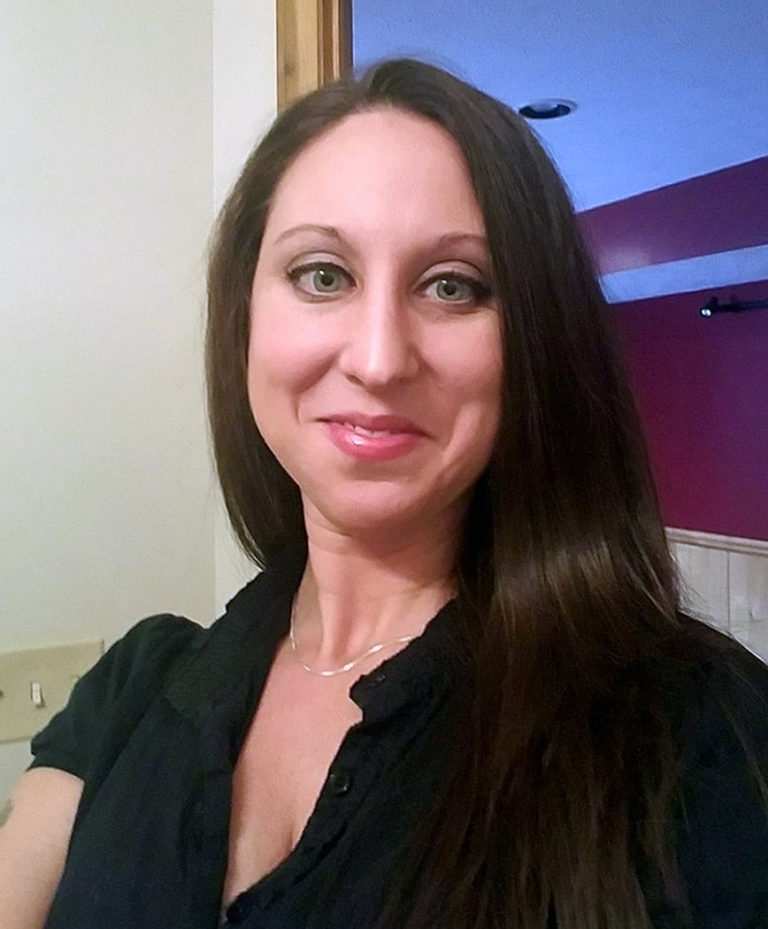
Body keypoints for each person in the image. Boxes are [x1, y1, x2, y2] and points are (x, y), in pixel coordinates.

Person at [1, 58, 767, 929]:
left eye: (452, 286)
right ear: (245, 314)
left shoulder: (698, 738)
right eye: (322, 275)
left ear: (535, 342)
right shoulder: (135, 691)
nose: (377, 359)